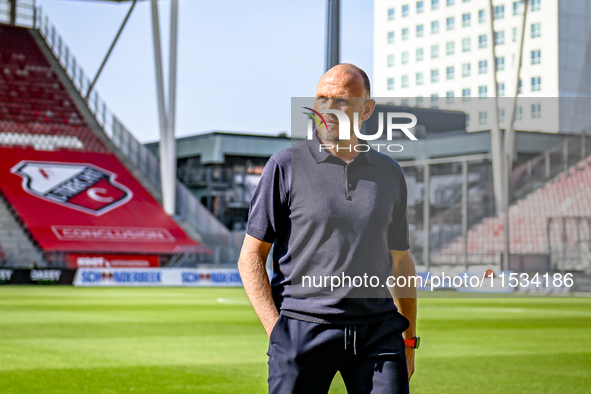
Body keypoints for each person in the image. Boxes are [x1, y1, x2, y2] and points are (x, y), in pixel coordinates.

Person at [238, 63, 418, 394]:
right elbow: (251, 256)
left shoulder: (390, 173)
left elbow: (401, 260)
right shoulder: (285, 165)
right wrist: (277, 331)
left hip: (378, 333)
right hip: (303, 329)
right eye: (322, 98)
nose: (329, 108)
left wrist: (409, 338)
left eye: (342, 100)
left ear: (367, 109)